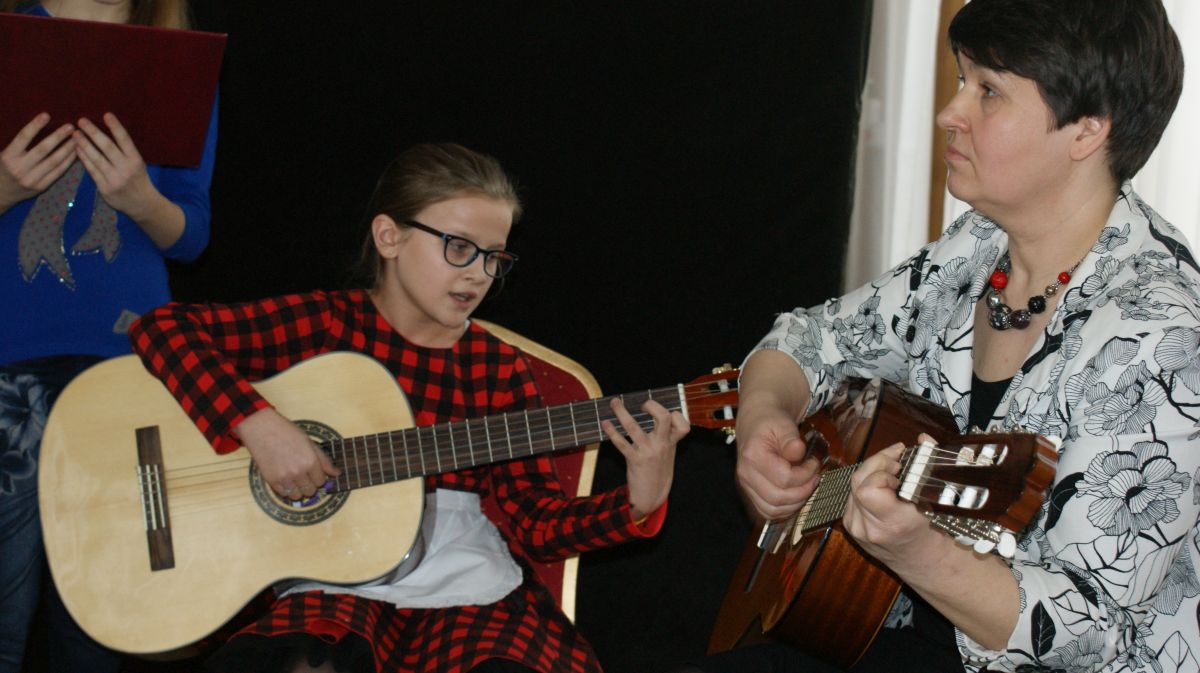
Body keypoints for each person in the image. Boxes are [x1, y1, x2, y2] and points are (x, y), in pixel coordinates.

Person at [679, 1, 1200, 672]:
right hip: (901, 632)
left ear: (1086, 131)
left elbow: (1092, 631)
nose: (950, 113)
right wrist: (761, 420)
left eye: (989, 91)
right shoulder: (980, 244)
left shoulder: (1159, 332)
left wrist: (918, 551)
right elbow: (808, 339)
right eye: (962, 80)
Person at [128, 142, 691, 673]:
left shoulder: (496, 369)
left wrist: (636, 504)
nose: (478, 274)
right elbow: (162, 329)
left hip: (464, 592)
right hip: (333, 585)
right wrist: (259, 427)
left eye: (494, 258)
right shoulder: (326, 325)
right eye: (459, 248)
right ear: (389, 237)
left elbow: (535, 524)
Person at [0, 1, 218, 671]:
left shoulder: (176, 55)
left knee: (98, 616)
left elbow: (192, 233)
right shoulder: (10, 41)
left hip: (132, 362)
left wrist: (139, 199)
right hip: (9, 355)